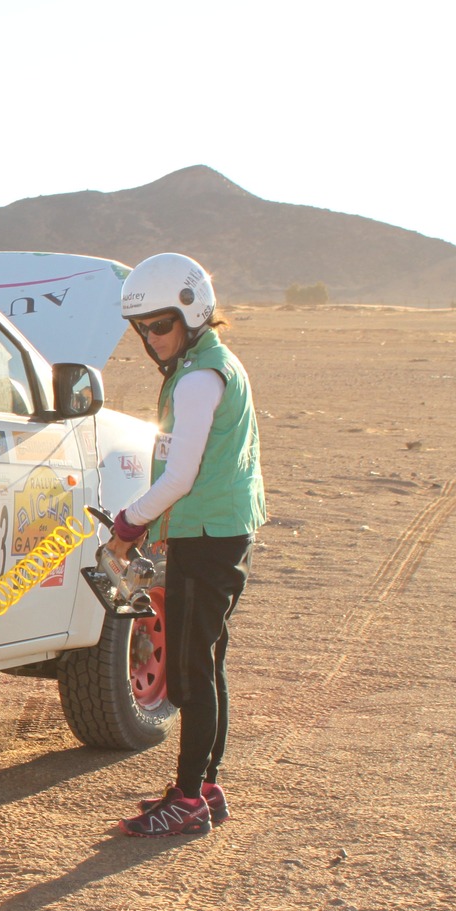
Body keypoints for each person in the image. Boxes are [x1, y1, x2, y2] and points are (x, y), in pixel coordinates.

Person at [106, 253, 267, 837]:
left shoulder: (199, 378)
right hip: (218, 531)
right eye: (142, 328)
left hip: (207, 538)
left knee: (192, 674)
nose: (151, 339)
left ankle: (190, 798)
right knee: (208, 662)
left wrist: (128, 524)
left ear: (193, 313)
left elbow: (181, 477)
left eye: (161, 324)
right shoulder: (209, 365)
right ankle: (203, 786)